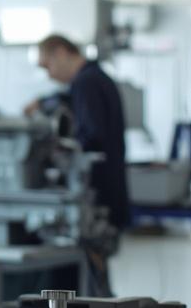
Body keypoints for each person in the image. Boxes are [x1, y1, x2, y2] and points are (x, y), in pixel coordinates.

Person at [29, 34, 132, 232]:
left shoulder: (86, 83)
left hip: (99, 190)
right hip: (111, 185)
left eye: (47, 66)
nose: (49, 75)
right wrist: (43, 103)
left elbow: (92, 136)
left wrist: (59, 150)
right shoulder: (94, 77)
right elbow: (65, 97)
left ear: (60, 53)